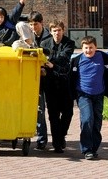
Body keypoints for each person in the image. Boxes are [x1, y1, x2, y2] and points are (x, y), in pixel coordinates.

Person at [40, 20, 75, 153]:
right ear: (51, 32)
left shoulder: (69, 43)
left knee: (68, 113)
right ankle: (57, 144)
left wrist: (51, 64)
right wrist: (46, 64)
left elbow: (64, 58)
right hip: (50, 84)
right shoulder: (44, 44)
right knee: (53, 115)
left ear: (63, 30)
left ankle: (61, 135)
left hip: (65, 82)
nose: (57, 33)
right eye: (54, 31)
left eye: (59, 30)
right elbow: (41, 59)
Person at [28, 11, 51, 150]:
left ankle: (58, 139)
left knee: (53, 111)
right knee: (39, 109)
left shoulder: (49, 37)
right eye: (30, 24)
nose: (33, 27)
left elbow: (50, 55)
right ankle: (42, 140)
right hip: (33, 77)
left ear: (41, 23)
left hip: (48, 76)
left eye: (35, 24)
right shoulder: (27, 36)